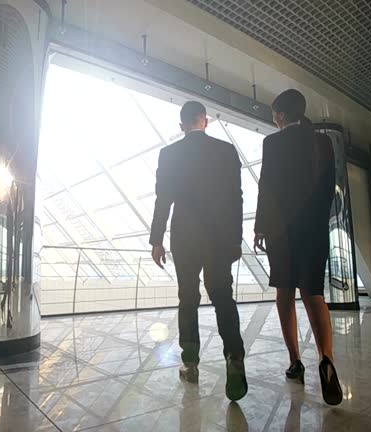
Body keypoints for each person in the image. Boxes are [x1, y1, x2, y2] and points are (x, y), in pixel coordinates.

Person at [149, 101, 247, 401]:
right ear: (205, 121)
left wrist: (156, 240)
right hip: (219, 238)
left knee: (188, 298)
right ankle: (234, 357)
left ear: (181, 126)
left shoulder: (169, 154)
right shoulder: (226, 151)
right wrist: (235, 239)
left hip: (185, 238)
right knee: (222, 297)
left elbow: (163, 200)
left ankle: (190, 364)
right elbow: (236, 198)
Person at [253, 89, 343, 406]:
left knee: (285, 292)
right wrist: (318, 223)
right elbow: (329, 188)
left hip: (281, 232)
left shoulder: (272, 143)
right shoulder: (322, 142)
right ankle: (326, 358)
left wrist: (260, 226)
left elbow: (268, 185)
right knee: (313, 293)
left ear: (279, 116)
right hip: (315, 229)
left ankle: (295, 362)